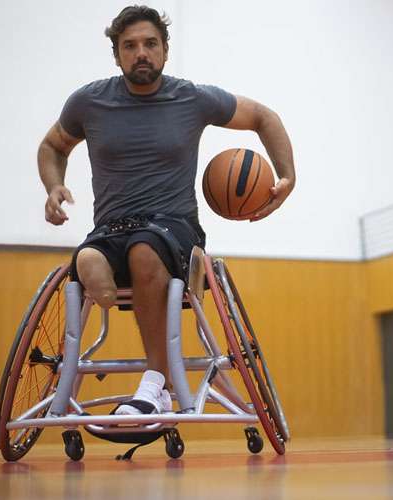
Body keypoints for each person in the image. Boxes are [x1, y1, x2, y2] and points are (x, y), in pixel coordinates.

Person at [37, 5, 295, 416]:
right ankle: (95, 281)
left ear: (165, 50)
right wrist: (53, 187)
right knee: (90, 255)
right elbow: (53, 146)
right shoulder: (88, 102)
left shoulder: (192, 98)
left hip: (174, 230)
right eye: (130, 46)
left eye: (150, 44)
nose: (141, 52)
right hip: (111, 229)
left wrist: (286, 177)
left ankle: (156, 383)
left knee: (144, 248)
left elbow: (264, 117)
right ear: (117, 55)